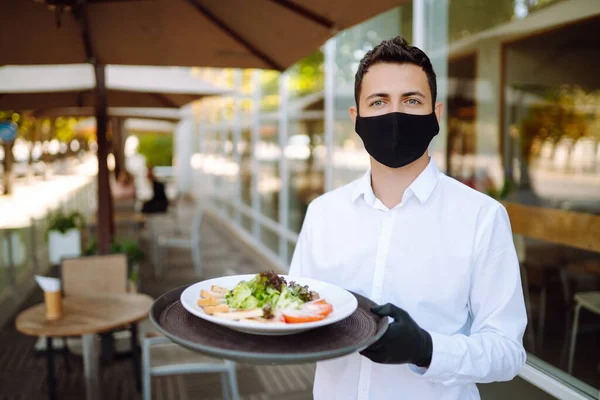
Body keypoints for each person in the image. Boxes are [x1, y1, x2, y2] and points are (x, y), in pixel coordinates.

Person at [288, 36, 527, 400]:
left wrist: (427, 349)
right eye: (378, 101)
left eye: (412, 101)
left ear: (437, 114)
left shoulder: (482, 217)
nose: (394, 114)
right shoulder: (323, 214)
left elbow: (507, 352)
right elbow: (297, 315)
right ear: (357, 118)